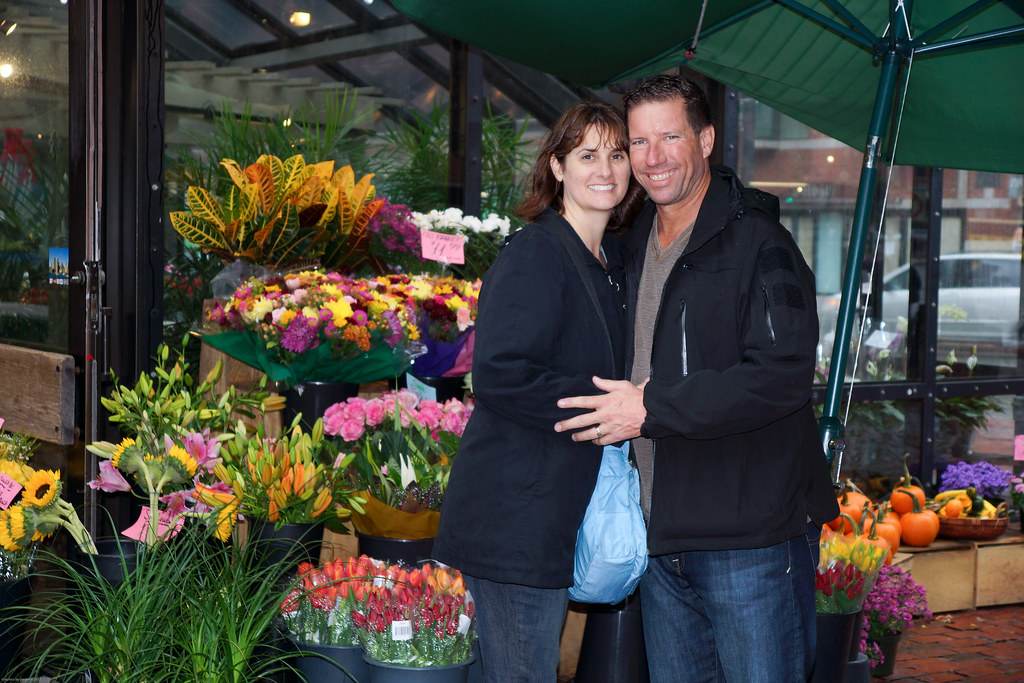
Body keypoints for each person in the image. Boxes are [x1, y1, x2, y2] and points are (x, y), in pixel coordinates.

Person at [554, 75, 840, 682]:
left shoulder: (760, 243)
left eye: (669, 137)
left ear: (705, 139)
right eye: (638, 142)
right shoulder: (628, 246)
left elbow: (782, 377)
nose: (652, 158)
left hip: (748, 541)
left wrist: (650, 409)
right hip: (660, 537)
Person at [432, 101, 643, 682]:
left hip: (551, 514)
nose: (605, 169)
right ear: (556, 167)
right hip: (513, 523)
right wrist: (608, 407)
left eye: (618, 154)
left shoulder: (612, 261)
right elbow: (500, 373)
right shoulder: (535, 253)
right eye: (587, 155)